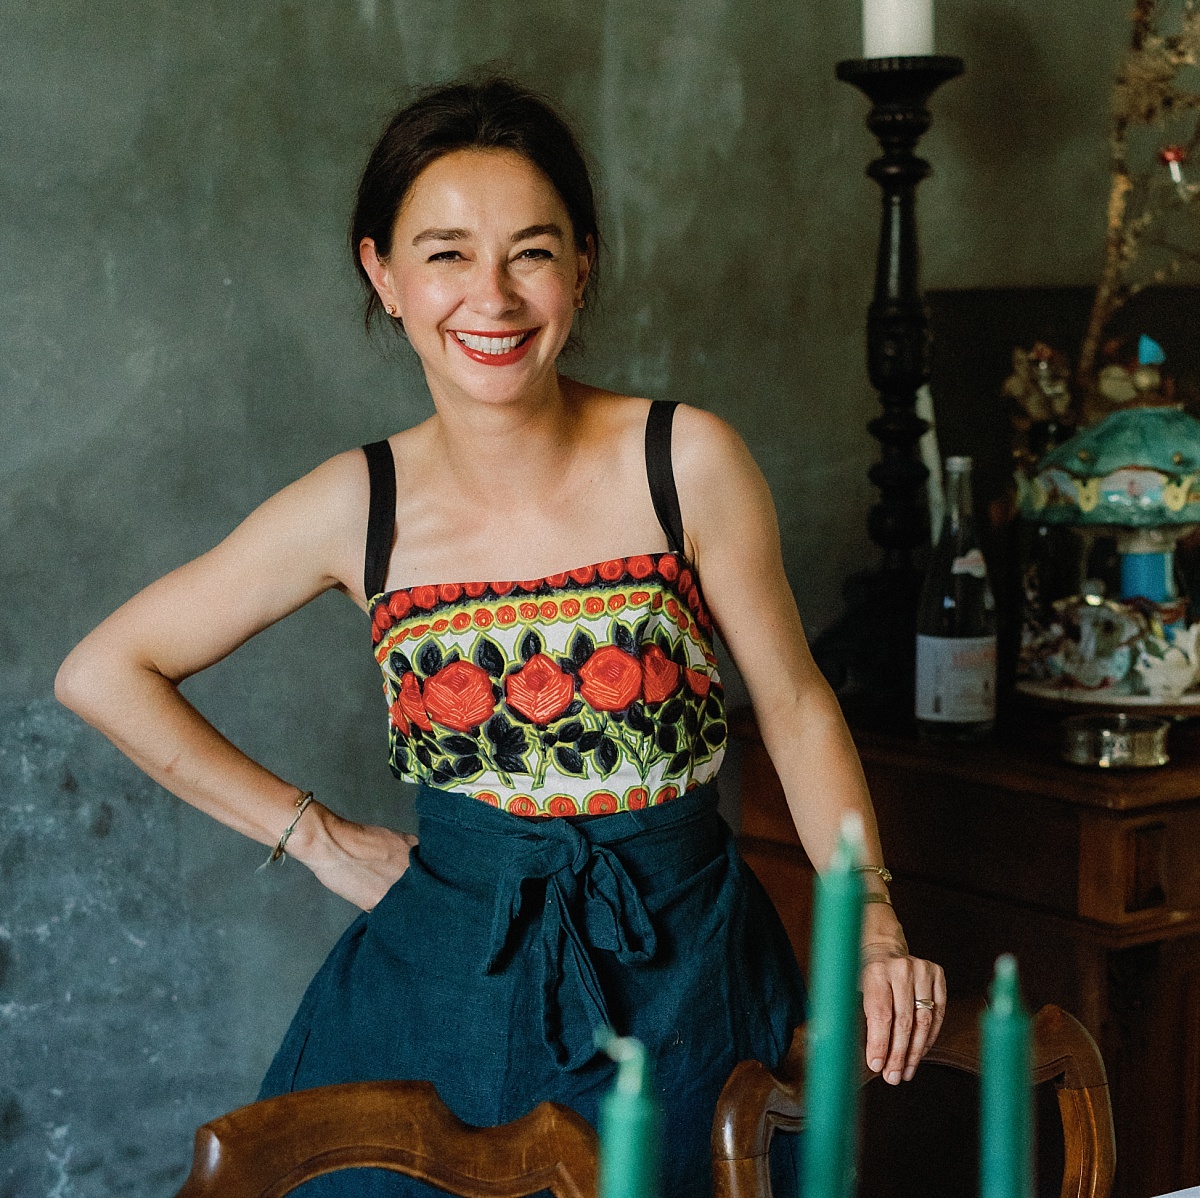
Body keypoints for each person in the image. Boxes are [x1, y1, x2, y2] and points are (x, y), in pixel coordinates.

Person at [56, 75, 946, 1197]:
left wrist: (872, 920)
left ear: (582, 265)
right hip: (440, 987)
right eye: (447, 254)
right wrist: (321, 840)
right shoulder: (357, 505)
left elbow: (797, 704)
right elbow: (105, 671)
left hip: (691, 986)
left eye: (532, 252)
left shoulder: (684, 461)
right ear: (382, 273)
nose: (494, 296)